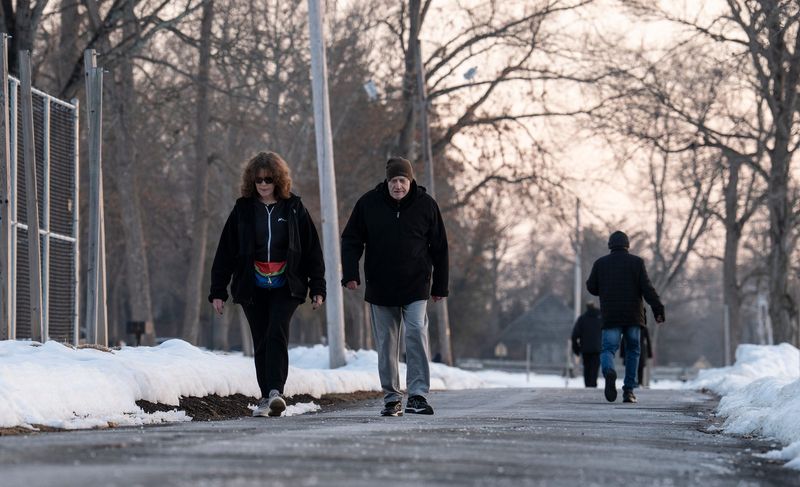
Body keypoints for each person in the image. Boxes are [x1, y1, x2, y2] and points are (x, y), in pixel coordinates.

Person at [209, 151, 325, 417]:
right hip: (252, 285)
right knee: (261, 339)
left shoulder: (294, 208)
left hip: (287, 284)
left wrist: (318, 287)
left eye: (269, 179)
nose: (263, 184)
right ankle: (265, 397)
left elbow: (311, 250)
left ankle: (276, 391)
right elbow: (225, 252)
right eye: (258, 179)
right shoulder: (243, 210)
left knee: (276, 332)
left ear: (279, 180)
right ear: (252, 180)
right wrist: (218, 291)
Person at [341, 157, 449, 417]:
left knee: (415, 334)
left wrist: (440, 286)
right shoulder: (369, 204)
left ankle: (418, 395)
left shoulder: (426, 206)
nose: (398, 185)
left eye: (403, 180)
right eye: (393, 181)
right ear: (387, 181)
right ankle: (391, 397)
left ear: (410, 181)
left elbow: (440, 248)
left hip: (416, 285)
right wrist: (351, 274)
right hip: (381, 287)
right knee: (387, 344)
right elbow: (351, 239)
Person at [586, 230, 665, 404]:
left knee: (608, 349)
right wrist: (658, 310)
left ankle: (608, 371)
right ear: (627, 245)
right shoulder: (637, 263)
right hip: (633, 316)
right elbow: (647, 289)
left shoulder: (601, 263)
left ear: (610, 246)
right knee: (633, 351)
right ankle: (628, 391)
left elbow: (591, 287)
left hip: (611, 316)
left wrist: (604, 287)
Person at [571, 302, 603, 388]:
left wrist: (576, 349)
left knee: (587, 367)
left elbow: (574, 335)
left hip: (585, 348)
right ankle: (593, 384)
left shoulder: (582, 318)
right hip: (597, 348)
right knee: (595, 367)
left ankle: (588, 384)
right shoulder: (601, 318)